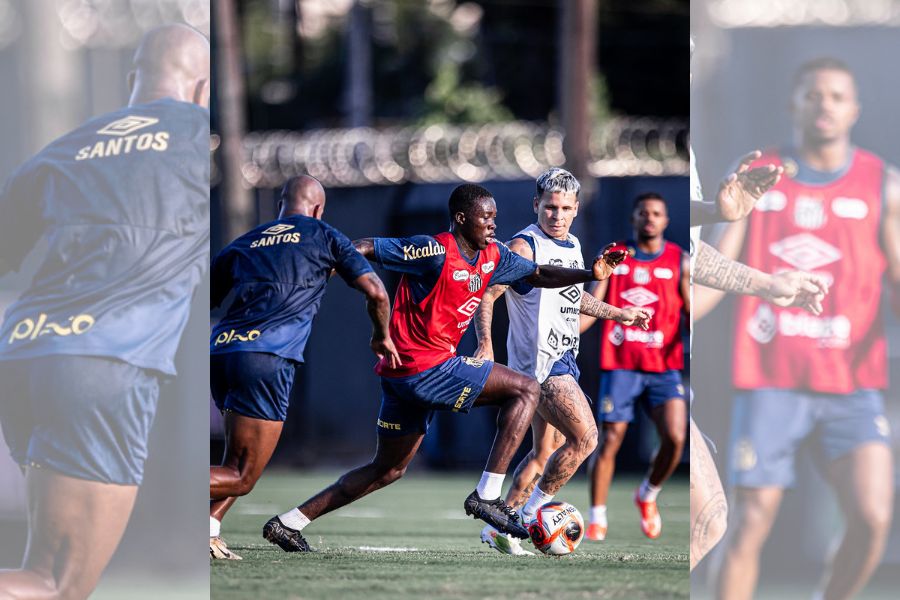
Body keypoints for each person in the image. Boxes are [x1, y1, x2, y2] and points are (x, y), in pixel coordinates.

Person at [262, 183, 628, 552]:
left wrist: (590, 275)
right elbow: (365, 247)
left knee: (387, 469)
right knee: (526, 389)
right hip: (425, 368)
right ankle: (487, 495)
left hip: (405, 378)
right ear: (460, 219)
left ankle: (289, 522)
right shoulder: (433, 249)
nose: (492, 225)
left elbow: (539, 275)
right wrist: (316, 272)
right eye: (485, 218)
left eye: (495, 217)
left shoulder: (495, 257)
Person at [0, 24, 209, 599]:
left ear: (130, 82)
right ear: (201, 90)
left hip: (21, 355)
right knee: (54, 583)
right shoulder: (198, 135)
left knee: (43, 564)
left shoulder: (66, 147)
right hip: (101, 367)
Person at [707, 57, 900, 600]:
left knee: (872, 517)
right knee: (749, 522)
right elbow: (718, 271)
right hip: (771, 376)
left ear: (854, 110)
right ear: (794, 104)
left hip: (853, 381)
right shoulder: (761, 175)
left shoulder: (883, 184)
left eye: (837, 96)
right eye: (814, 94)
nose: (825, 105)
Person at [687, 35, 829, 572]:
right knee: (711, 517)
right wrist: (770, 283)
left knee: (711, 519)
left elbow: (695, 261)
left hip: (680, 366)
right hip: (653, 361)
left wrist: (720, 216)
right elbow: (683, 256)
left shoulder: (696, 149)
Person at [208, 175, 398, 560]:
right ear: (318, 209)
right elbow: (376, 291)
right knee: (243, 476)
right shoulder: (323, 234)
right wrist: (382, 335)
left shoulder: (247, 240)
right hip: (266, 359)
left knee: (240, 461)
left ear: (282, 203)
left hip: (221, 354)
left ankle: (208, 528)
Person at [471, 168, 652, 556]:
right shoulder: (524, 247)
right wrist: (485, 342)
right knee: (586, 438)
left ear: (575, 209)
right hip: (540, 366)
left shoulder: (571, 245)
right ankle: (532, 516)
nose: (557, 215)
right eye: (550, 207)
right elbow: (488, 294)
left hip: (564, 358)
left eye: (565, 208)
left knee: (542, 454)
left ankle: (500, 526)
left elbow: (573, 297)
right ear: (536, 204)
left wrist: (618, 313)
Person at [579, 192, 689, 542]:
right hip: (622, 363)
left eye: (657, 213)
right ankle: (597, 516)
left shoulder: (679, 259)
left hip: (663, 365)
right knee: (610, 439)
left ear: (666, 220)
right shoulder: (617, 255)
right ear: (633, 218)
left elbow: (691, 308)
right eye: (643, 212)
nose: (650, 218)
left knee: (675, 437)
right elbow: (594, 301)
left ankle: (648, 494)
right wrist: (573, 327)